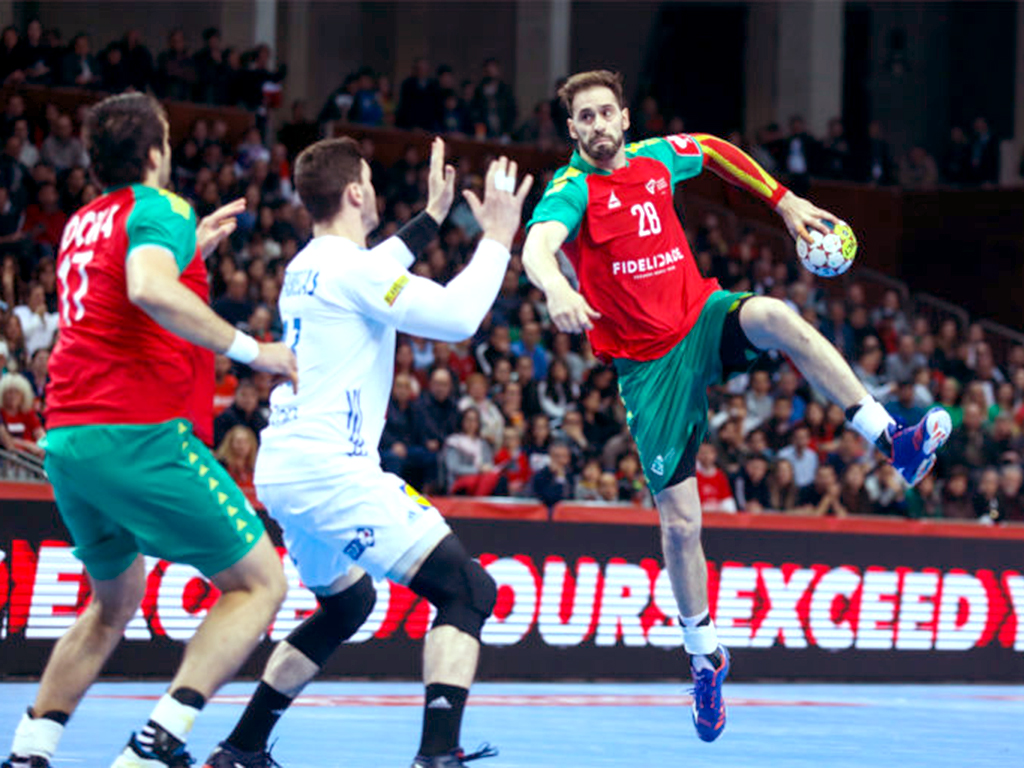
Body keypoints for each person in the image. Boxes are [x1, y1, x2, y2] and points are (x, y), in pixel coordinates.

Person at [521, 69, 952, 743]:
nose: (599, 125)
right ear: (572, 129)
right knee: (682, 526)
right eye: (585, 118)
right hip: (647, 368)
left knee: (779, 316)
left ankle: (892, 438)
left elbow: (717, 150)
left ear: (625, 118)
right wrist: (553, 287)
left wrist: (783, 201)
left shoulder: (658, 159)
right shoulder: (572, 191)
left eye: (608, 112)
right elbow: (538, 246)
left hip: (700, 316)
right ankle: (705, 658)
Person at [203, 137, 530, 768]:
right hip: (331, 469)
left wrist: (432, 219)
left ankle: (241, 747)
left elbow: (374, 268)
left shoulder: (309, 265)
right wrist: (496, 237)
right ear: (356, 192)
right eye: (372, 181)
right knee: (468, 591)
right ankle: (437, 756)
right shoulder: (355, 270)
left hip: (287, 465)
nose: (376, 191)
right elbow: (460, 316)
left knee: (348, 603)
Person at [2, 93, 297, 768]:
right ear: (157, 153)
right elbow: (148, 288)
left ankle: (29, 751)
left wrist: (190, 248)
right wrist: (258, 352)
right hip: (136, 430)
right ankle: (155, 745)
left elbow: (126, 282)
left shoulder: (86, 220)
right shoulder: (160, 208)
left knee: (114, 603)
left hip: (70, 440)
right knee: (260, 583)